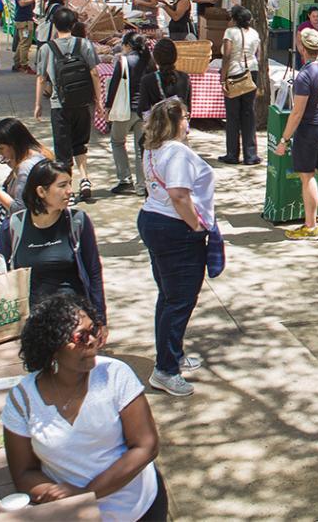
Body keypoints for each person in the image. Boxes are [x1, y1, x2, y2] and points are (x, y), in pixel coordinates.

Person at [1, 293, 165, 521]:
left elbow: (146, 446)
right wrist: (57, 496)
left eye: (94, 330)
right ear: (53, 346)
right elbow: (24, 472)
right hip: (75, 514)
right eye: (81, 336)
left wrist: (86, 493)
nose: (92, 340)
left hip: (137, 507)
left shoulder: (115, 375)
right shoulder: (22, 401)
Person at [139, 96, 217, 397]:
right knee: (179, 300)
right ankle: (166, 370)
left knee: (169, 296)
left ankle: (172, 354)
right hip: (175, 229)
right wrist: (196, 226)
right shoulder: (177, 153)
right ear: (174, 121)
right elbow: (179, 195)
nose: (188, 122)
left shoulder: (153, 149)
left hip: (154, 221)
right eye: (185, 117)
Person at [0, 158, 107, 320]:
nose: (70, 191)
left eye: (70, 184)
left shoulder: (78, 221)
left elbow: (94, 272)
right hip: (32, 322)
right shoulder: (13, 226)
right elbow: (1, 274)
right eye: (62, 186)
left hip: (74, 319)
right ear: (41, 191)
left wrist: (99, 318)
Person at [276, 28, 318, 240]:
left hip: (310, 130)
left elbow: (297, 113)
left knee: (308, 177)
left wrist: (284, 139)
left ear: (302, 48)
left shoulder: (304, 76)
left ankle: (310, 225)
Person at [36, 7, 104, 204]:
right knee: (80, 144)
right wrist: (98, 101)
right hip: (82, 104)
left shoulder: (46, 48)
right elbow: (94, 72)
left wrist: (38, 104)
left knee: (63, 150)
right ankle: (85, 179)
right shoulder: (85, 44)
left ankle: (69, 189)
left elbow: (41, 78)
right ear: (73, 25)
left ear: (54, 26)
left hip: (60, 105)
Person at [0, 116, 52, 219]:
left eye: (1, 148)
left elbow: (19, 209)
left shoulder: (26, 168)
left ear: (13, 144)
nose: (0, 153)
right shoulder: (41, 154)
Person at [105, 33, 151, 195]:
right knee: (141, 149)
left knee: (117, 141)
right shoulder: (149, 61)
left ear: (127, 45)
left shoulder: (124, 61)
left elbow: (114, 86)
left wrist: (108, 107)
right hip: (144, 111)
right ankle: (142, 185)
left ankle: (125, 179)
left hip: (125, 110)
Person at [220, 6, 261, 165]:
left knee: (233, 115)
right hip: (251, 72)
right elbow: (258, 54)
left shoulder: (230, 32)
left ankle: (232, 153)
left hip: (235, 73)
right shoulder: (255, 33)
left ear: (235, 18)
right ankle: (250, 154)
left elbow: (227, 55)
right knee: (248, 113)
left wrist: (223, 78)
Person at [138, 38, 191, 115]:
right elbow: (188, 108)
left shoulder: (147, 80)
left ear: (155, 58)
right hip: (179, 124)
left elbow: (142, 110)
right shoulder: (185, 78)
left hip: (158, 125)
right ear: (175, 56)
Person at [12, 0, 38, 72]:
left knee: (22, 42)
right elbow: (21, 3)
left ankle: (18, 62)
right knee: (25, 43)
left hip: (26, 18)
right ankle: (24, 64)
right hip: (24, 20)